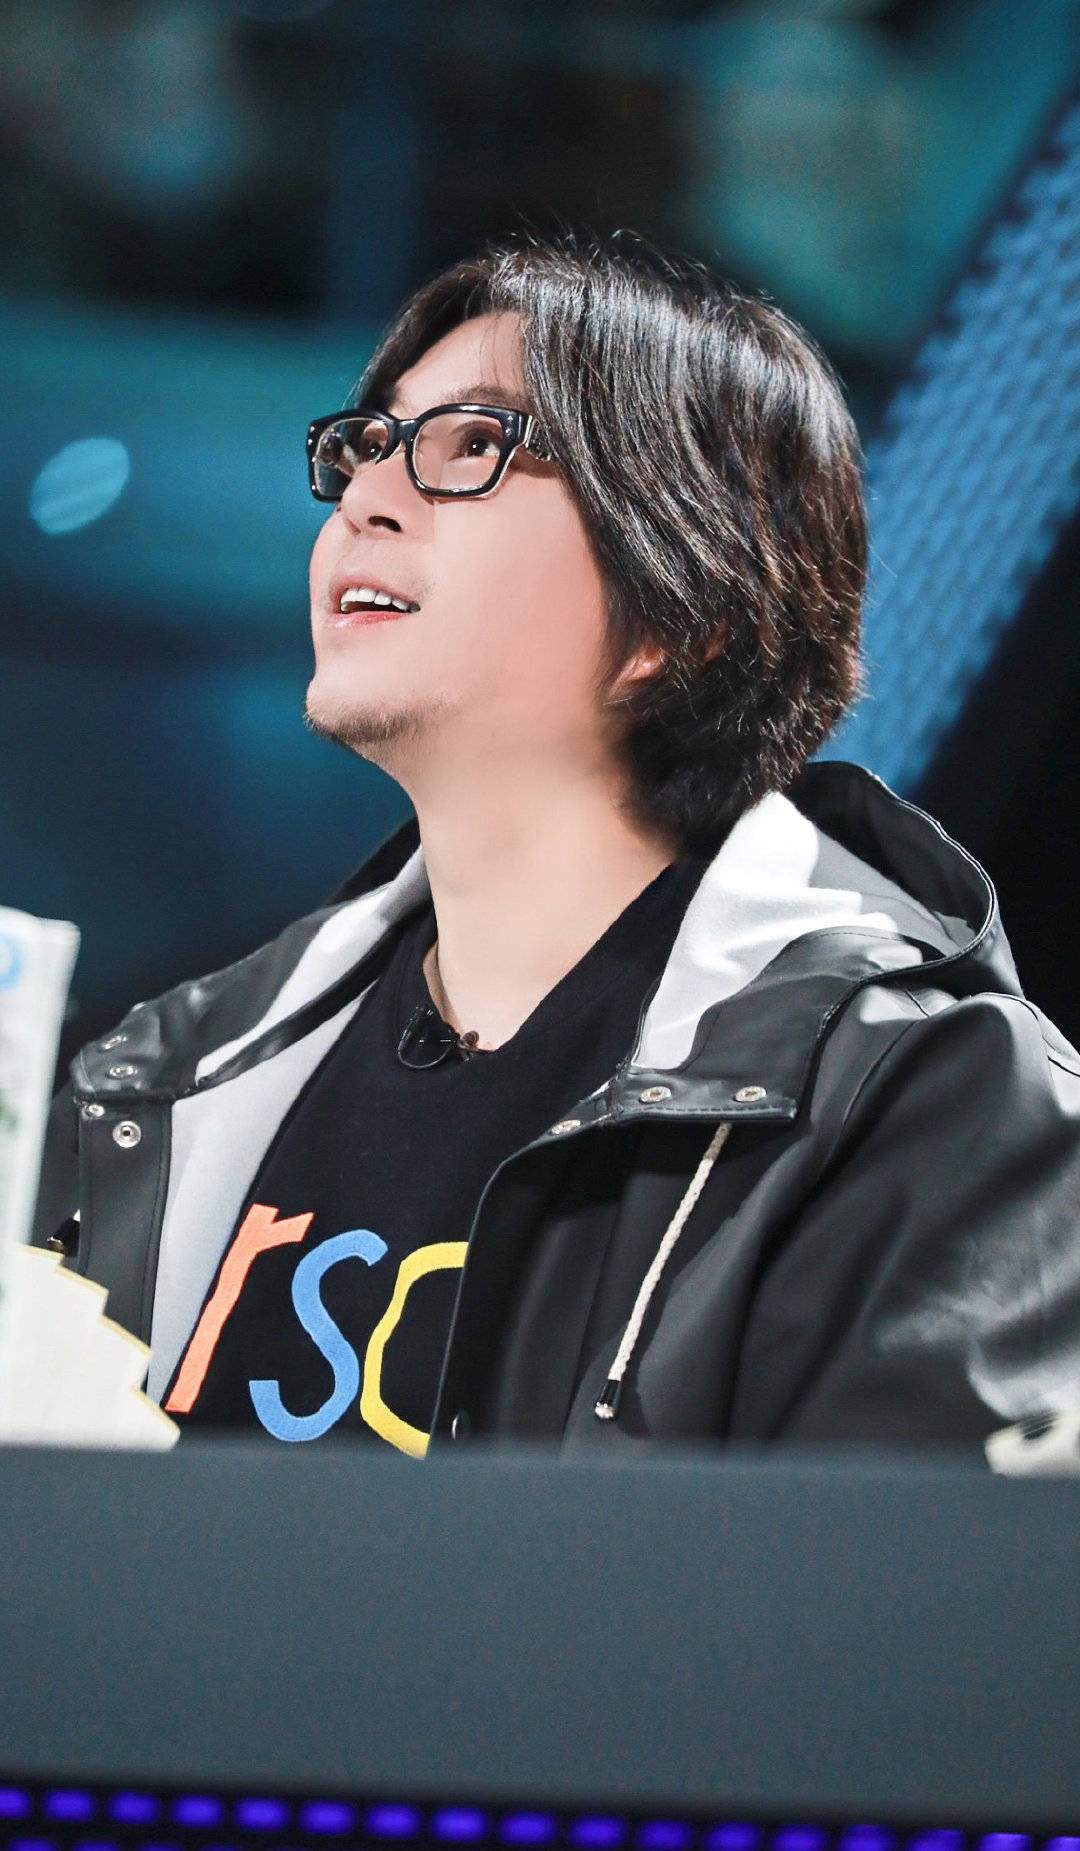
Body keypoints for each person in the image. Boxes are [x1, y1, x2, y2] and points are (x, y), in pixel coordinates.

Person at [31, 231, 1080, 1453]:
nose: (367, 497)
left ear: (686, 608)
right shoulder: (163, 1076)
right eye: (365, 445)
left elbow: (892, 1574)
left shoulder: (923, 1099)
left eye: (472, 445)